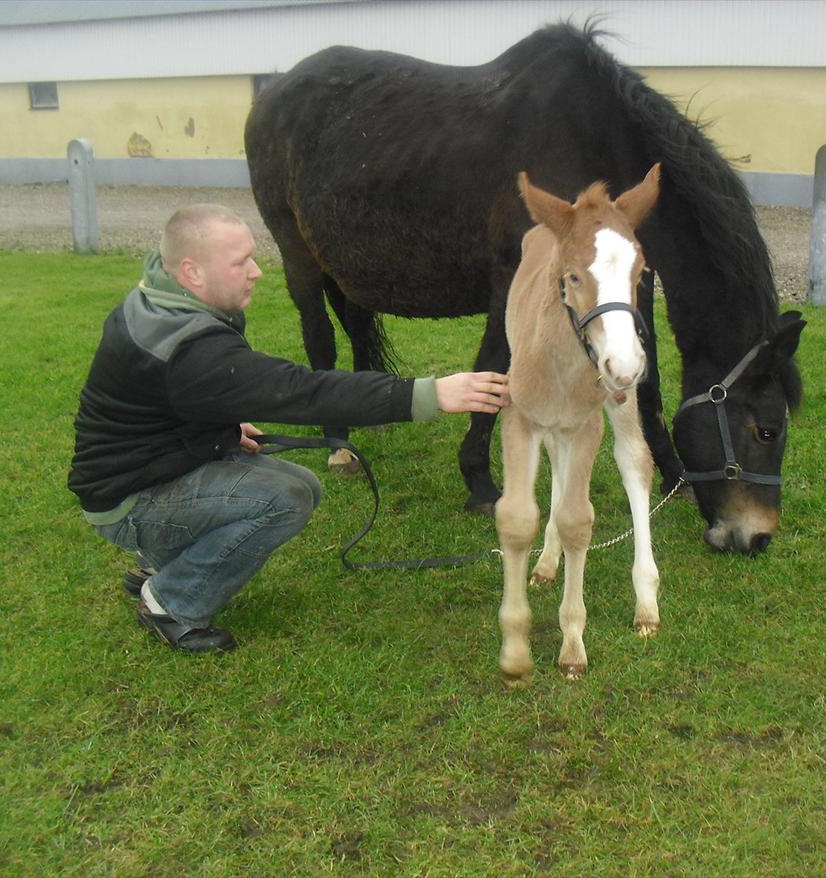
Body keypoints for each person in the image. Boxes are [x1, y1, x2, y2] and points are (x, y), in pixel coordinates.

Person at [68, 204, 509, 654]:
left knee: (299, 483)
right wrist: (429, 394)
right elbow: (303, 392)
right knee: (286, 498)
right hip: (128, 501)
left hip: (141, 472)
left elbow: (160, 398)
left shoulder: (158, 296)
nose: (257, 272)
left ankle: (158, 560)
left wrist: (219, 424)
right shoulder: (190, 350)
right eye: (241, 263)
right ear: (192, 271)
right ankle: (170, 601)